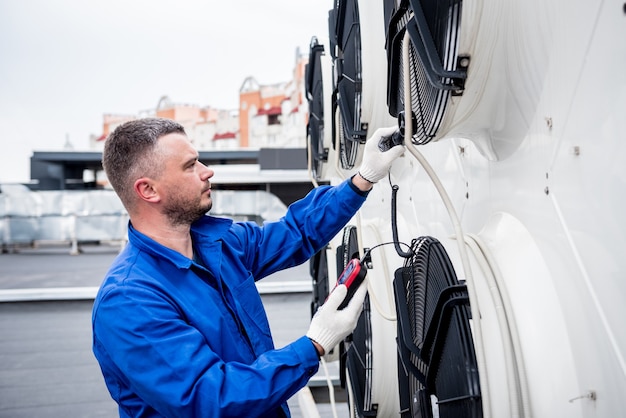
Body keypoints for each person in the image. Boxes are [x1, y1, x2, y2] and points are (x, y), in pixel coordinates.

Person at [92, 117, 405, 418]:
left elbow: (295, 233)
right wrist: (314, 345)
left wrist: (362, 180)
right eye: (190, 166)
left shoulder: (219, 243)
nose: (207, 172)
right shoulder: (129, 300)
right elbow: (211, 399)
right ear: (148, 190)